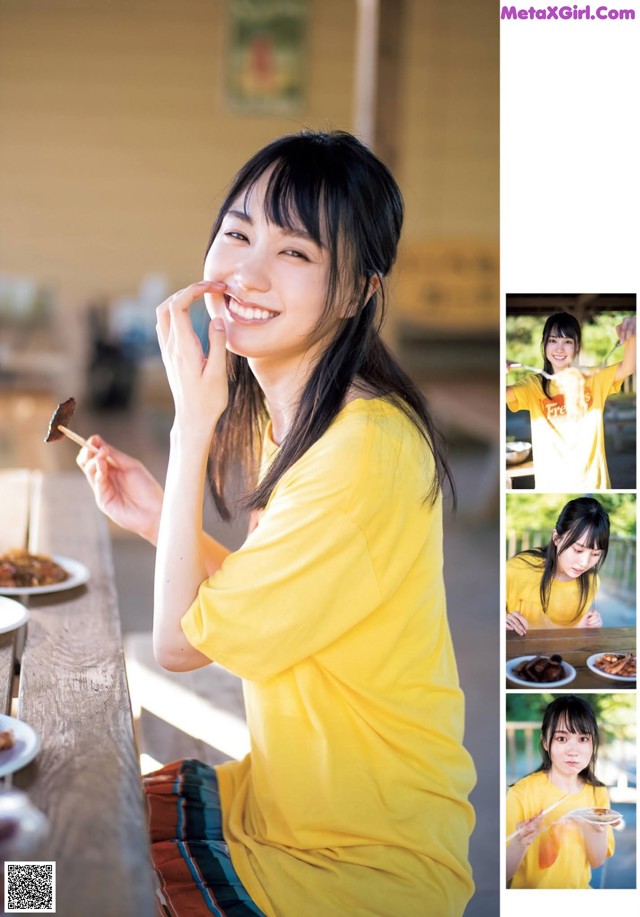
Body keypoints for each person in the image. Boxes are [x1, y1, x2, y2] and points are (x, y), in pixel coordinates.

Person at [77, 130, 476, 917]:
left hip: (361, 864)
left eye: (296, 253)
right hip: (281, 808)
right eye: (237, 232)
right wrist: (163, 515)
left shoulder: (360, 453)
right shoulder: (303, 410)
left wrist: (190, 429)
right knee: (52, 843)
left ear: (359, 289)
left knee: (65, 886)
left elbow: (179, 645)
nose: (247, 272)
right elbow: (275, 602)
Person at [506, 310, 636, 490]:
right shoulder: (533, 386)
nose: (559, 349)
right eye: (553, 340)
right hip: (550, 487)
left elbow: (628, 366)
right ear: (544, 344)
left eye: (567, 341)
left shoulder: (593, 378)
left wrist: (632, 334)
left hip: (593, 484)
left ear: (576, 347)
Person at [506, 695, 616, 888]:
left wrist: (595, 830)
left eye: (583, 739)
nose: (572, 750)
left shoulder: (598, 793)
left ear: (593, 744)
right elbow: (502, 873)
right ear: (546, 743)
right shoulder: (521, 793)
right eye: (562, 738)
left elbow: (597, 861)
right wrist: (520, 843)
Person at [506, 496, 609, 634]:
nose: (584, 563)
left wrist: (585, 626)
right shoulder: (517, 569)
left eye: (595, 554)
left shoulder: (592, 581)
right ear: (556, 538)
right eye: (578, 550)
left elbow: (568, 639)